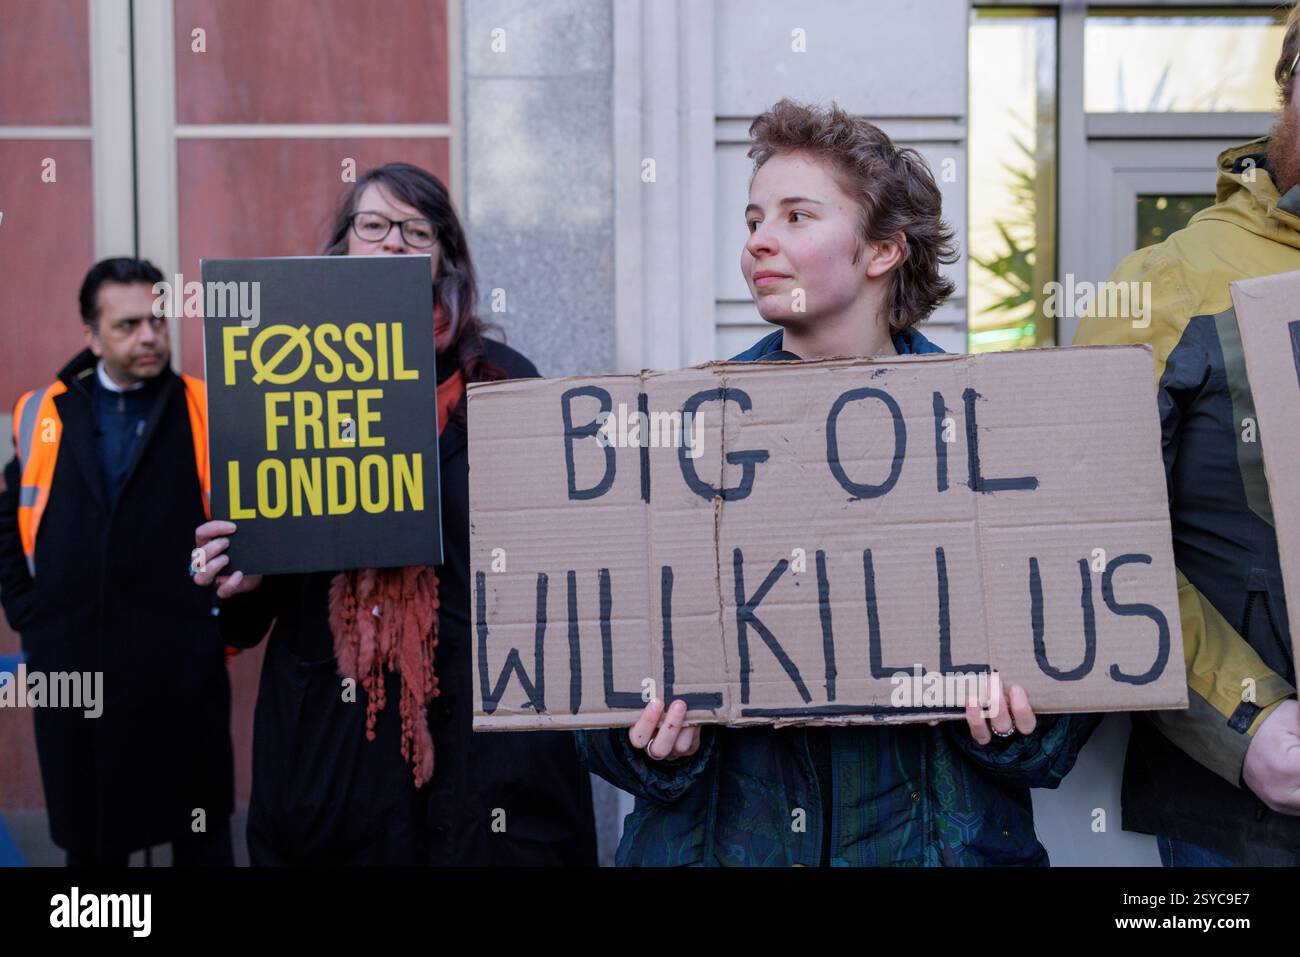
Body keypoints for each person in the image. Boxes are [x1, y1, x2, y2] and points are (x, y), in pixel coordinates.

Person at [577, 100, 1100, 866]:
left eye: (796, 215)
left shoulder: (991, 433)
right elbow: (592, 686)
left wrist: (1024, 724)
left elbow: (1064, 694)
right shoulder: (678, 435)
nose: (759, 239)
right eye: (754, 217)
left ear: (882, 249)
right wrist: (649, 745)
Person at [192, 163, 598, 866]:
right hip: (336, 747)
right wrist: (239, 574)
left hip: (482, 750)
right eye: (373, 226)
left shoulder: (504, 380)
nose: (391, 244)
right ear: (344, 245)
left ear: (444, 256)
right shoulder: (275, 377)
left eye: (416, 231)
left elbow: (554, 564)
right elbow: (249, 613)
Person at [1072, 5, 1300, 866]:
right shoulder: (1173, 282)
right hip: (1246, 817)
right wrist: (1246, 715)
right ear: (1291, 90)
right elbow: (1084, 532)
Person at [0, 257, 234, 866]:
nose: (150, 336)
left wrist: (216, 619)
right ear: (92, 334)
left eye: (158, 319)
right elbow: (9, 513)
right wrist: (31, 614)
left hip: (179, 666)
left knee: (198, 834)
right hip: (76, 663)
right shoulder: (43, 413)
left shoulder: (206, 410)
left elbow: (246, 525)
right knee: (93, 844)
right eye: (128, 324)